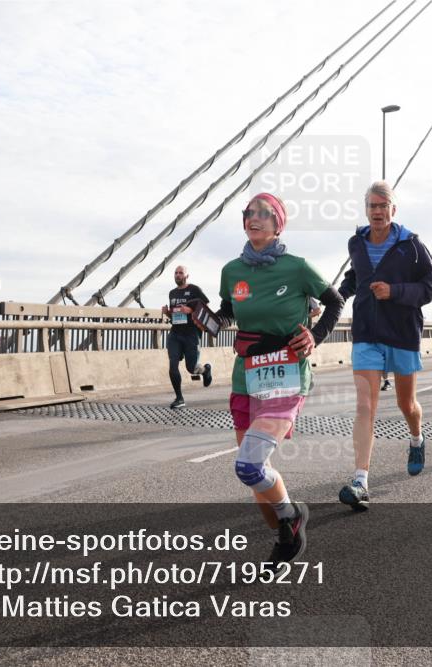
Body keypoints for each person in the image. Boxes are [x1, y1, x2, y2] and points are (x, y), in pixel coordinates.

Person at [215, 193, 344, 564]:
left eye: (263, 214)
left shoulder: (297, 267)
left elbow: (335, 302)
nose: (254, 218)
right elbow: (228, 310)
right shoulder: (232, 271)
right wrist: (209, 318)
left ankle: (291, 515)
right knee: (253, 472)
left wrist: (315, 336)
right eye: (248, 213)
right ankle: (285, 534)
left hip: (287, 374)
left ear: (277, 223)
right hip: (247, 377)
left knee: (248, 465)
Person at [338, 181, 432, 510]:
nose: (378, 211)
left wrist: (394, 292)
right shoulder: (357, 242)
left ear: (393, 210)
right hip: (366, 331)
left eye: (384, 206)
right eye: (372, 206)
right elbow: (355, 278)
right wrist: (334, 298)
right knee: (365, 404)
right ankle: (360, 480)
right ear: (366, 210)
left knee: (406, 404)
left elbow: (431, 287)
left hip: (402, 333)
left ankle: (416, 438)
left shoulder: (411, 246)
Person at [161, 265, 212, 409]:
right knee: (172, 365)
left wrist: (190, 310)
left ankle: (206, 370)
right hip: (175, 333)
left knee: (192, 368)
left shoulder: (194, 290)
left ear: (186, 276)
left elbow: (205, 305)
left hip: (191, 334)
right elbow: (175, 314)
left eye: (180, 273)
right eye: (176, 273)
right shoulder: (172, 293)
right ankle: (179, 398)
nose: (177, 275)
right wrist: (167, 312)